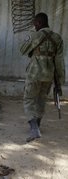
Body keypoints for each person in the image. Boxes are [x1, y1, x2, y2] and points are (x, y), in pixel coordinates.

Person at [20, 13, 65, 142]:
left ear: (39, 23)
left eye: (35, 23)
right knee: (41, 99)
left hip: (34, 74)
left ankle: (34, 129)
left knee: (29, 99)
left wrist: (31, 35)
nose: (34, 25)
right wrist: (60, 81)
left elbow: (22, 49)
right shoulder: (57, 38)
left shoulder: (35, 35)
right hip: (49, 75)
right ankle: (37, 125)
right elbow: (59, 62)